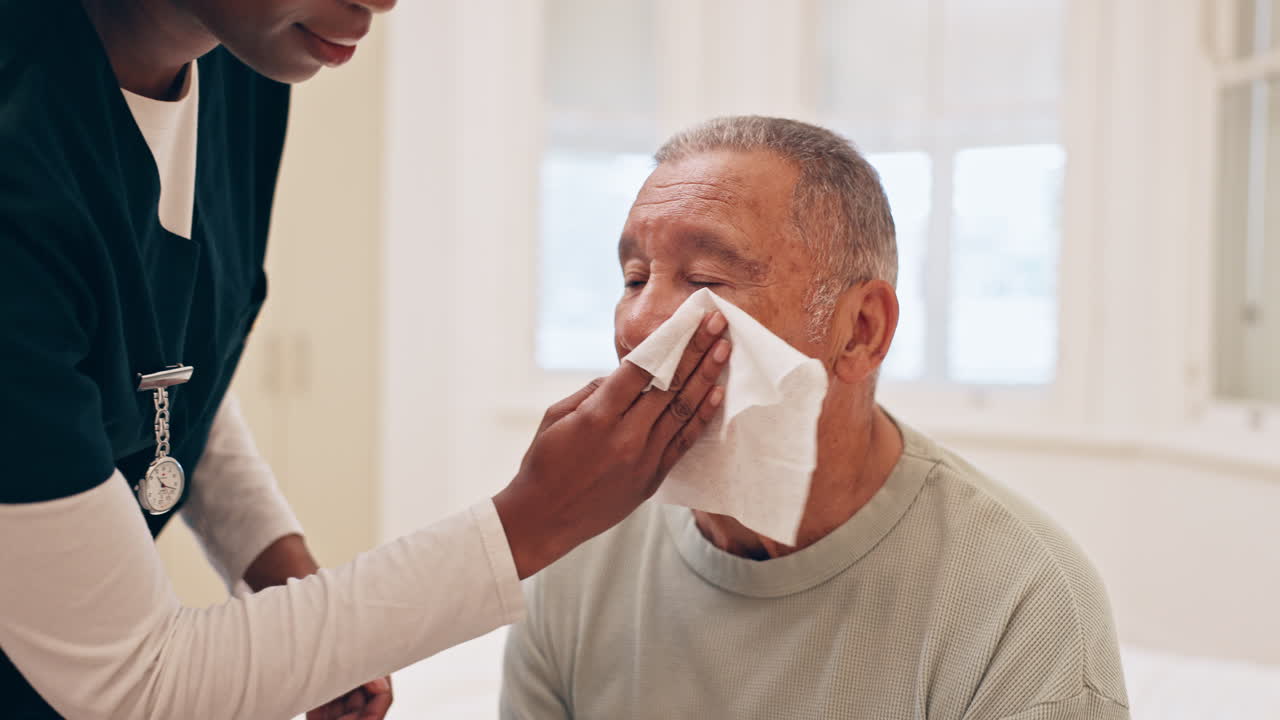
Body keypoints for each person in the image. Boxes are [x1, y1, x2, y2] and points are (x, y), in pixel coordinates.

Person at [0, 1, 732, 718]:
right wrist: (531, 521)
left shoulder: (245, 63)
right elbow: (137, 682)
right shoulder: (21, 169)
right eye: (634, 279)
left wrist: (280, 572)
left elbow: (158, 356)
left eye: (710, 282)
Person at [501, 116, 1131, 720]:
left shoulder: (1022, 604)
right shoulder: (577, 546)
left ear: (860, 331)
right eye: (635, 279)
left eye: (707, 279)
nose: (637, 325)